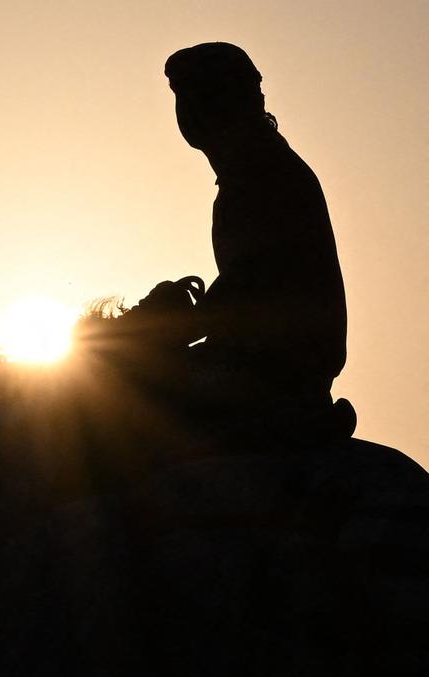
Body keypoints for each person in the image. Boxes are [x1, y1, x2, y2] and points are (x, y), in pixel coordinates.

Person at [149, 43, 350, 442]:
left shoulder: (263, 176)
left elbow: (247, 290)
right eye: (180, 96)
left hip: (269, 377)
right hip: (265, 367)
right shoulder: (256, 171)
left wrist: (158, 326)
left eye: (198, 93)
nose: (187, 111)